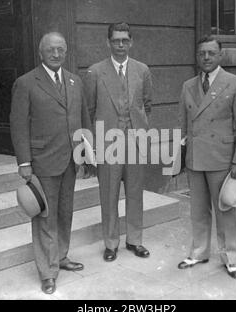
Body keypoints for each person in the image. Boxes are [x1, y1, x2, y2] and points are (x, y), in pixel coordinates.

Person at [10, 32, 91, 294]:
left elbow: (84, 119)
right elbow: (18, 125)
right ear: (40, 52)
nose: (56, 54)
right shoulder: (26, 83)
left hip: (70, 160)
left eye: (61, 50)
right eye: (51, 50)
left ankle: (61, 256)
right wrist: (24, 162)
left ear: (66, 52)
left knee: (65, 212)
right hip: (42, 161)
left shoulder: (75, 81)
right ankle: (47, 272)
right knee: (45, 216)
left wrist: (86, 154)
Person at [177, 36, 236, 279]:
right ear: (197, 57)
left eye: (211, 53)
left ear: (220, 55)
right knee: (198, 210)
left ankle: (231, 257)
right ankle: (199, 251)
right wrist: (180, 156)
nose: (206, 58)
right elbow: (183, 125)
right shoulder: (188, 85)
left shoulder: (235, 83)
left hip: (222, 158)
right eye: (202, 54)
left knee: (225, 210)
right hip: (195, 159)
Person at [84, 22, 153, 262]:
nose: (120, 45)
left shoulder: (142, 70)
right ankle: (111, 244)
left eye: (124, 40)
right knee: (109, 195)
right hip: (108, 145)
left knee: (135, 194)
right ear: (108, 43)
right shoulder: (95, 72)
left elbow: (146, 104)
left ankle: (135, 240)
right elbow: (89, 111)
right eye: (116, 40)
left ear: (131, 42)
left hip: (135, 144)